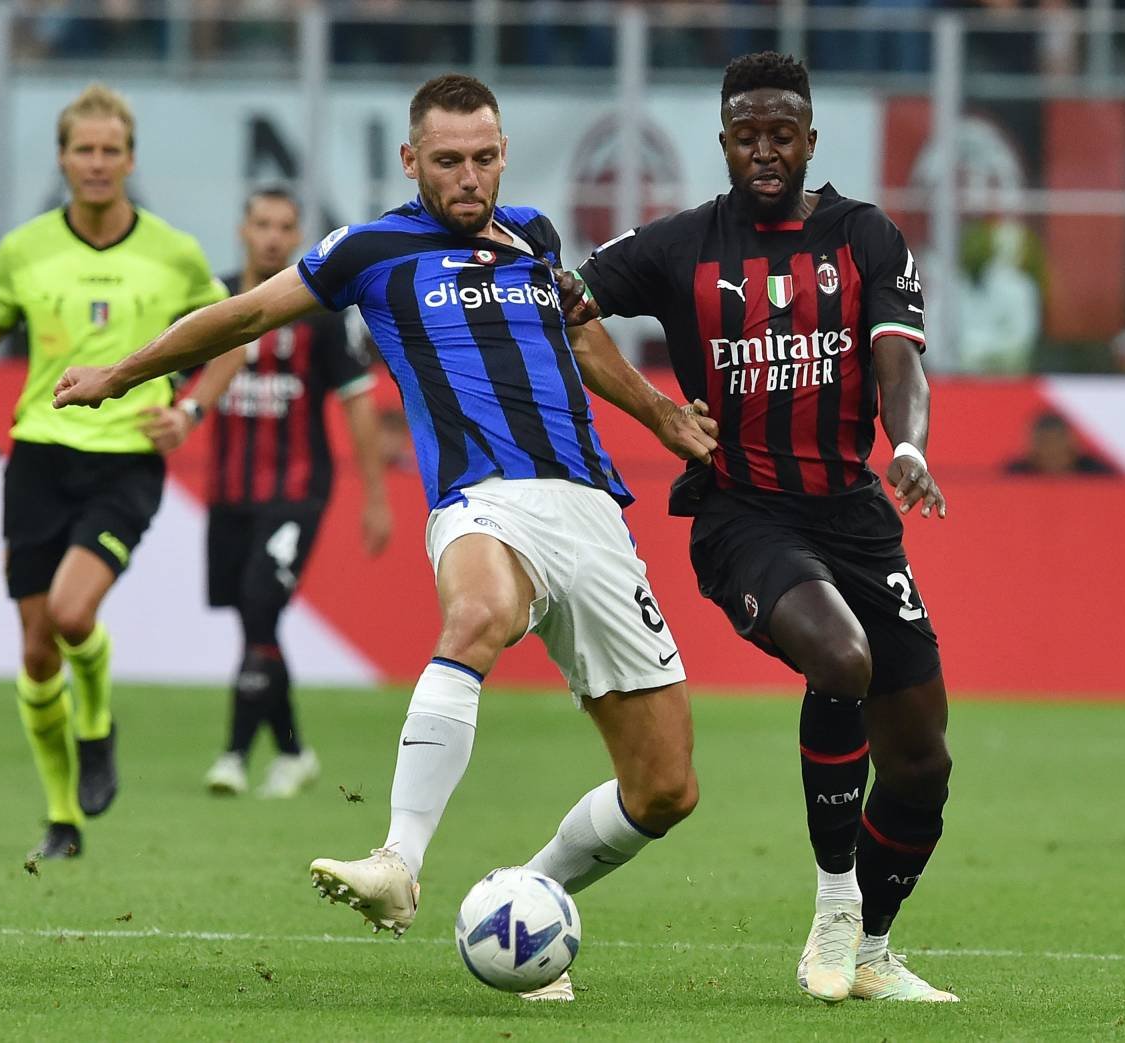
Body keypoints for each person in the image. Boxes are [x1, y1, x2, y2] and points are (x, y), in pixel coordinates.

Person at [53, 73, 717, 1003]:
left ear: (503, 152)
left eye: (485, 157)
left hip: (592, 511)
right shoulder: (369, 250)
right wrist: (125, 374)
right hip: (482, 498)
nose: (470, 177)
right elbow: (242, 314)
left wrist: (658, 414)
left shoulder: (534, 236)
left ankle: (528, 900)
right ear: (413, 161)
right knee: (480, 614)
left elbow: (583, 331)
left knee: (664, 789)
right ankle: (398, 860)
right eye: (448, 161)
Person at [562, 52, 958, 1004]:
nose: (766, 151)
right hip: (741, 515)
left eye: (783, 133)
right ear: (726, 142)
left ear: (811, 138)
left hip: (855, 515)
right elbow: (565, 304)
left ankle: (869, 950)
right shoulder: (680, 246)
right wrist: (655, 410)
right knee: (842, 659)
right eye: (748, 135)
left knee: (922, 763)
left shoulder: (865, 236)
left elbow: (899, 362)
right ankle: (833, 906)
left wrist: (907, 446)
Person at [0, 83, 230, 860]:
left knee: (73, 616)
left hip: (125, 459)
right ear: (62, 158)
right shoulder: (25, 249)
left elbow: (232, 339)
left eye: (110, 150)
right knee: (37, 650)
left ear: (130, 158)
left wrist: (189, 411)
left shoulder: (174, 253)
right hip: (39, 457)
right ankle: (61, 819)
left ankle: (97, 728)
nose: (96, 163)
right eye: (83, 149)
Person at [189, 185, 392, 799]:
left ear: (297, 237)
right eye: (262, 225)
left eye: (285, 227)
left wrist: (376, 496)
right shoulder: (212, 302)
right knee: (257, 623)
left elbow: (358, 405)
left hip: (297, 492)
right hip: (227, 492)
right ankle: (294, 751)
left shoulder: (317, 314)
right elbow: (174, 377)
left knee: (258, 606)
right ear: (242, 230)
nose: (273, 237)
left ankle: (231, 756)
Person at [1004, 410, 1116, 476]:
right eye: (1045, 443)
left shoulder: (1097, 475)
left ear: (1071, 446)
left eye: (1056, 444)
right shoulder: (1015, 475)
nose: (1051, 450)